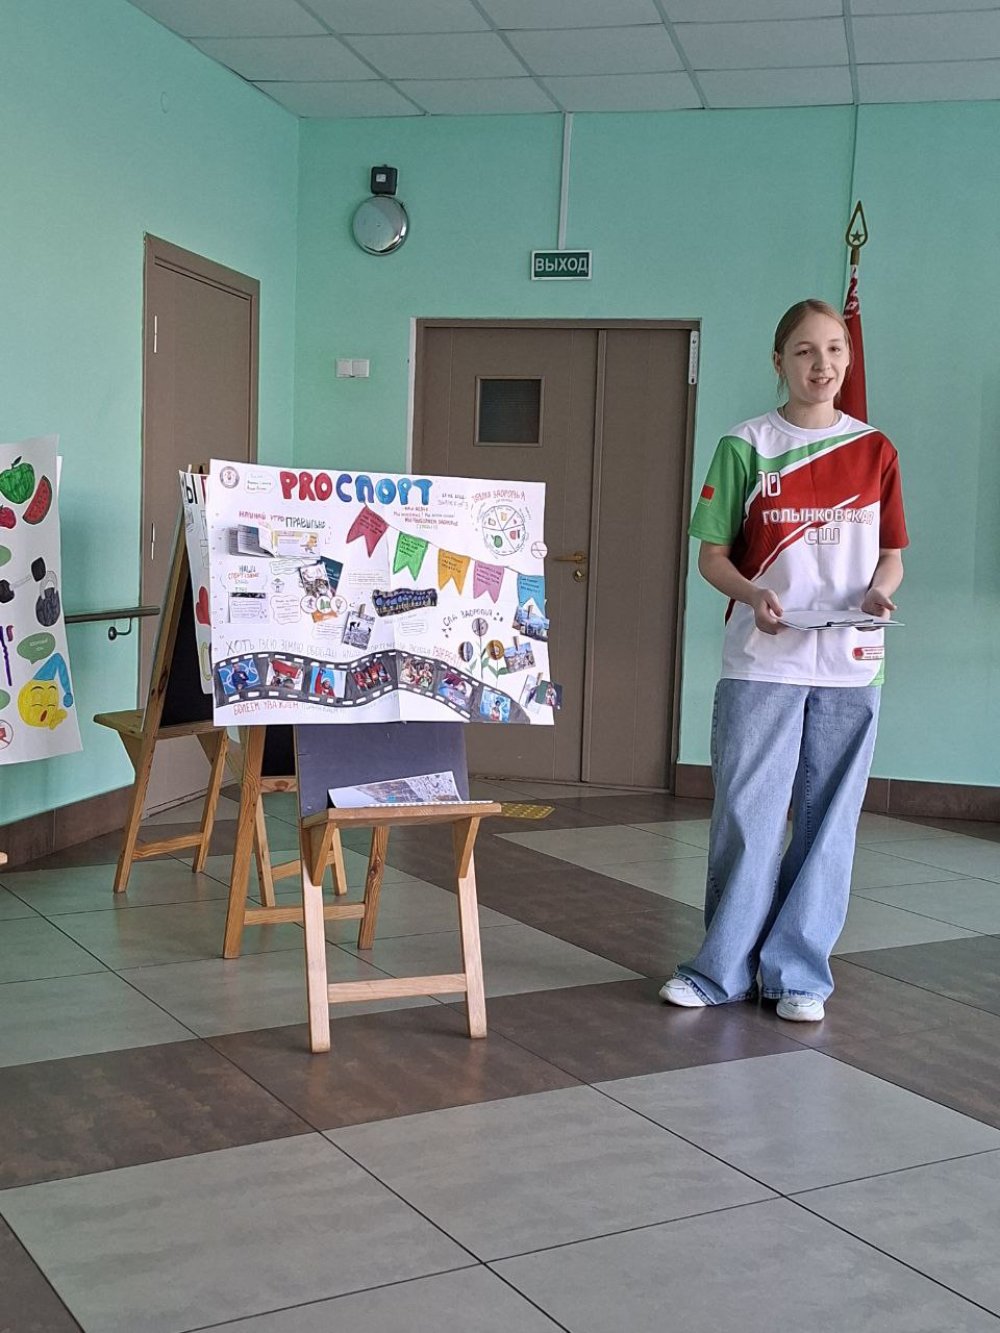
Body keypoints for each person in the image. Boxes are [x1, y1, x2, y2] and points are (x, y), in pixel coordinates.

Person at [660, 299, 908, 1022]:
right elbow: (711, 557)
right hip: (761, 660)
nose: (821, 364)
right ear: (780, 362)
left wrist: (880, 593)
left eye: (834, 349)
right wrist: (752, 593)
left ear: (848, 360)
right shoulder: (747, 446)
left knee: (830, 825)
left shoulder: (875, 451)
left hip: (850, 664)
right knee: (749, 817)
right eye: (804, 351)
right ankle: (720, 970)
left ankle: (799, 975)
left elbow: (892, 557)